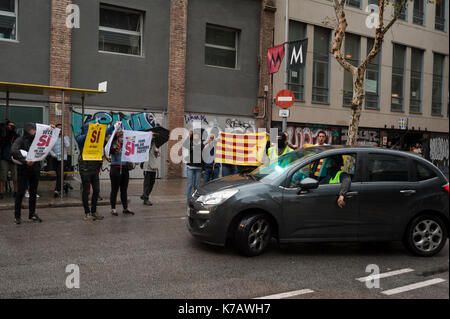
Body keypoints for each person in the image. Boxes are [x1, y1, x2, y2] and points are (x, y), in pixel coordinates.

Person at [11, 123, 53, 224]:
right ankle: (17, 216)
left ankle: (32, 214)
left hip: (35, 169)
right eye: (33, 130)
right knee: (20, 192)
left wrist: (50, 128)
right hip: (23, 170)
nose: (34, 131)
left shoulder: (37, 139)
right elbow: (13, 151)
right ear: (27, 130)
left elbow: (46, 135)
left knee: (33, 193)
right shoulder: (20, 140)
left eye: (35, 129)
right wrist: (25, 161)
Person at [76, 122, 116, 221]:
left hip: (94, 167)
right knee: (86, 190)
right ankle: (87, 212)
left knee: (97, 190)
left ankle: (93, 211)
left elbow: (105, 134)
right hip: (85, 167)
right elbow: (82, 138)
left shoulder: (97, 138)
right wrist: (92, 130)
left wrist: (113, 127)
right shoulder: (81, 138)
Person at [109, 130, 134, 216]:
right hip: (115, 169)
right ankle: (113, 208)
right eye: (120, 137)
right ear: (117, 137)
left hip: (124, 169)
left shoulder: (126, 145)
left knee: (124, 190)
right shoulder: (114, 144)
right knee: (114, 190)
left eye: (123, 137)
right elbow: (111, 151)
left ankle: (125, 208)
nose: (122, 139)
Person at [49, 124, 71, 198]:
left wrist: (63, 137)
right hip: (55, 158)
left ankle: (57, 190)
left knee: (59, 174)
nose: (60, 130)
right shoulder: (52, 138)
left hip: (63, 159)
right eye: (58, 129)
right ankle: (64, 185)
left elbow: (67, 145)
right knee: (58, 174)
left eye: (61, 129)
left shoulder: (65, 137)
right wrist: (53, 154)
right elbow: (49, 147)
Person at [184, 129, 205, 201]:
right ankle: (188, 199)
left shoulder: (201, 145)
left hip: (198, 168)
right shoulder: (190, 143)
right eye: (195, 134)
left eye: (197, 134)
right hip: (190, 167)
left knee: (196, 185)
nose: (196, 136)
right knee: (189, 185)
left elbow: (204, 157)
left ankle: (196, 198)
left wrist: (203, 168)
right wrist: (189, 136)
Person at [0, 121, 19, 199]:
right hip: (4, 158)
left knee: (15, 177)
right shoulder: (3, 135)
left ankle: (16, 192)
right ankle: (1, 192)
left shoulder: (16, 136)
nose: (11, 128)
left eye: (13, 126)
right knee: (2, 177)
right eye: (10, 126)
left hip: (14, 158)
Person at [141, 138, 159, 206]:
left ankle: (145, 195)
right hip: (147, 166)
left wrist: (156, 151)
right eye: (152, 135)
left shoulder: (155, 144)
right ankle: (146, 199)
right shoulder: (145, 142)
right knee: (147, 183)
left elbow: (156, 156)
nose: (153, 136)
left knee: (152, 182)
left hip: (153, 166)